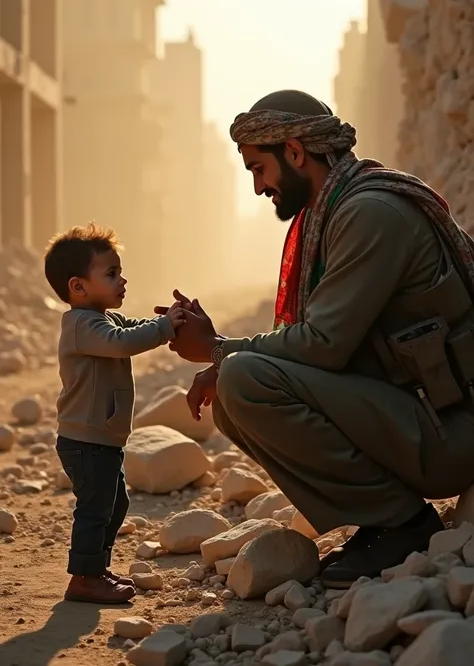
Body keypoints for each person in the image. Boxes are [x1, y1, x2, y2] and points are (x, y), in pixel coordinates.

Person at [156, 89, 474, 589]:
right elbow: (317, 344)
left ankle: (402, 525)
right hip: (420, 419)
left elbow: (323, 344)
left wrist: (219, 348)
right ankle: (383, 518)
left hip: (454, 435)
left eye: (260, 169)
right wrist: (224, 355)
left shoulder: (370, 213)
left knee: (241, 378)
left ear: (297, 153)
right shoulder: (339, 211)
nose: (259, 188)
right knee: (233, 393)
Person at [44, 223, 184, 603]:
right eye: (111, 273)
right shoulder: (81, 326)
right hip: (85, 439)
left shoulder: (101, 318)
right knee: (95, 508)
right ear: (78, 286)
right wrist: (163, 329)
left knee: (114, 502)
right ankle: (84, 579)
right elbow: (122, 342)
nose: (122, 279)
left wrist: (165, 321)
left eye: (119, 271)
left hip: (101, 437)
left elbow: (132, 327)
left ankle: (97, 568)